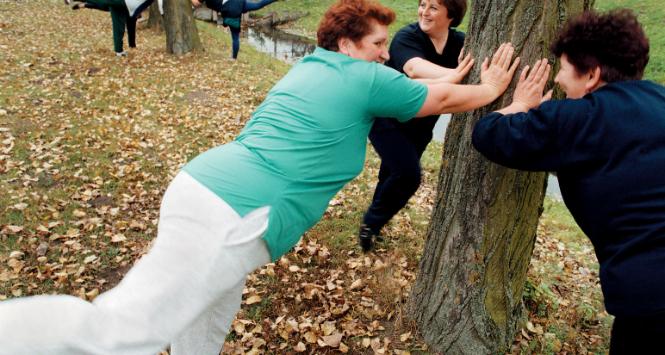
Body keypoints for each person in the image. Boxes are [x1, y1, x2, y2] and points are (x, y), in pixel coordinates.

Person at [0, 0, 519, 354]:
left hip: (206, 188)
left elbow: (433, 87)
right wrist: (492, 87)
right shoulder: (362, 77)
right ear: (346, 45)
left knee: (207, 313)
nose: (386, 53)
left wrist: (458, 78)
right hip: (232, 214)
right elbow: (444, 99)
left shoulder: (313, 67)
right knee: (123, 328)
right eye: (378, 43)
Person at [471, 9, 664, 354]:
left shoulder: (579, 118)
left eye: (562, 69)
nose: (558, 80)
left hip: (651, 298)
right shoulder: (659, 101)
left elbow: (488, 134)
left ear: (591, 74)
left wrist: (519, 105)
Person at [359, 0, 471, 251]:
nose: (424, 12)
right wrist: (454, 76)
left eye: (433, 7)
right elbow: (414, 69)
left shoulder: (460, 43)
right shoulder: (407, 36)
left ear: (450, 14)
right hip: (387, 119)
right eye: (423, 4)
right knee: (408, 175)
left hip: (422, 125)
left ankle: (373, 227)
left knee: (391, 174)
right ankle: (370, 224)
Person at [64, 0, 160, 57]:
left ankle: (122, 49)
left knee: (118, 18)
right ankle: (119, 50)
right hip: (125, 3)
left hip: (128, 6)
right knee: (112, 12)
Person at [192, 0, 281, 59]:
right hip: (238, 2)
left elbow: (196, 3)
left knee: (235, 37)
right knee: (257, 5)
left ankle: (234, 58)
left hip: (231, 10)